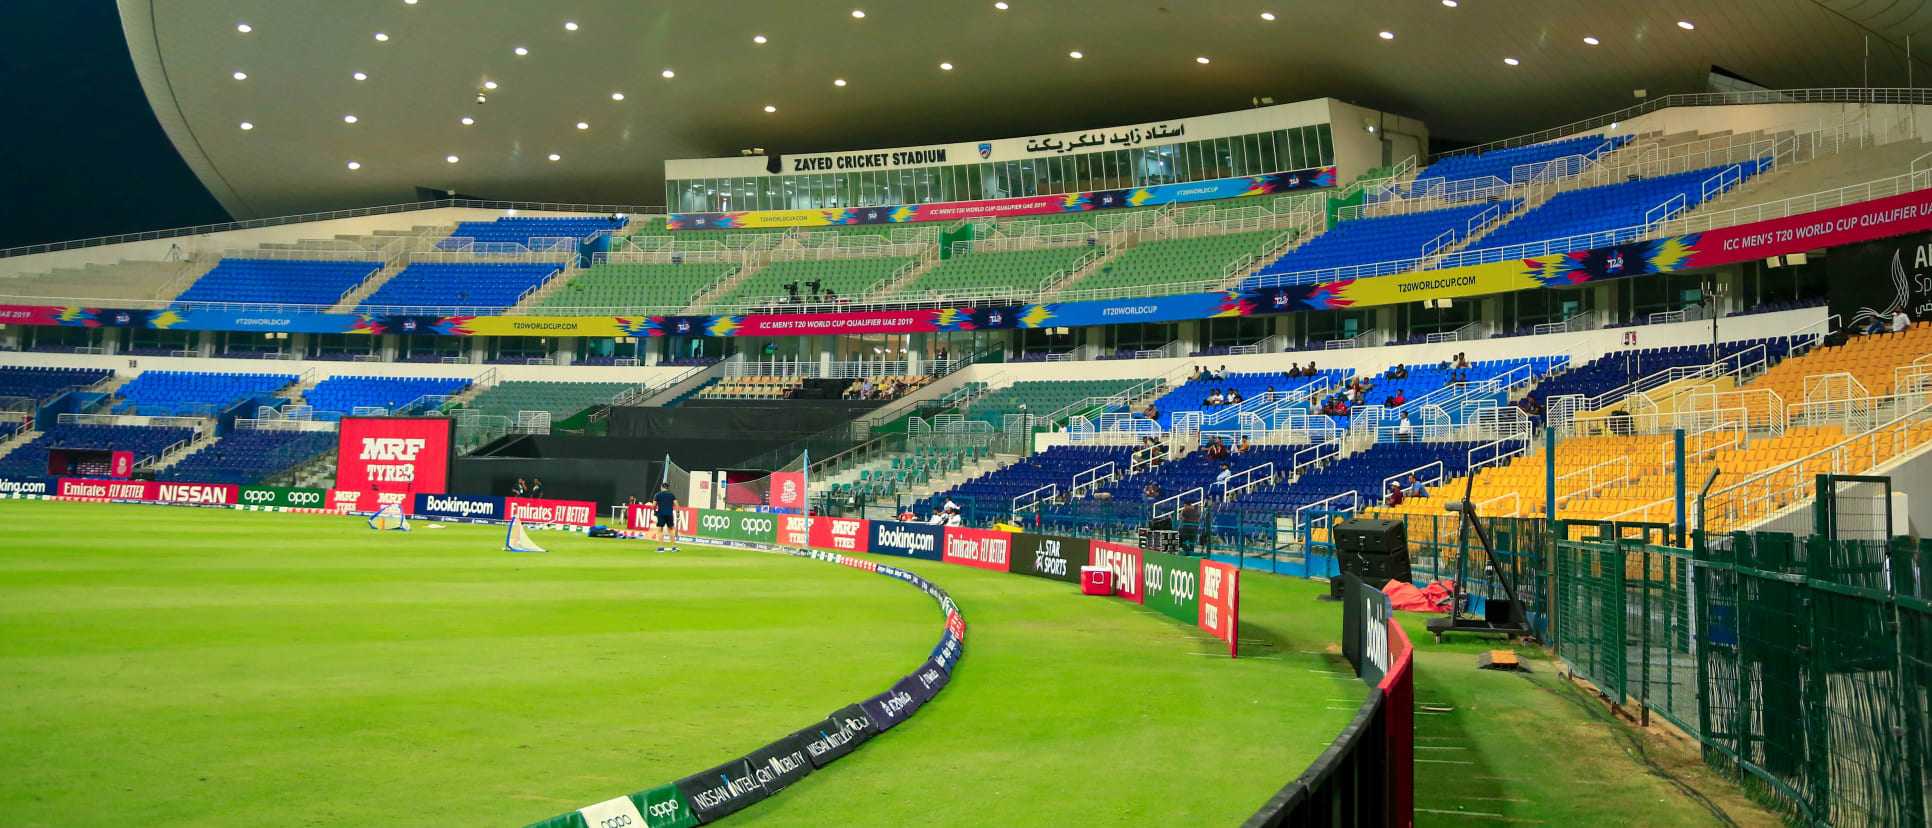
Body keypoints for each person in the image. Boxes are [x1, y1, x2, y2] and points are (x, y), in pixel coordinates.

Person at [651, 482, 680, 552]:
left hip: (661, 514)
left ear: (661, 487)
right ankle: (673, 547)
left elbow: (654, 505)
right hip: (669, 514)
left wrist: (655, 511)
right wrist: (677, 513)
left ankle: (661, 547)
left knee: (660, 530)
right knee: (670, 530)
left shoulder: (658, 494)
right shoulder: (671, 495)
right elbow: (677, 505)